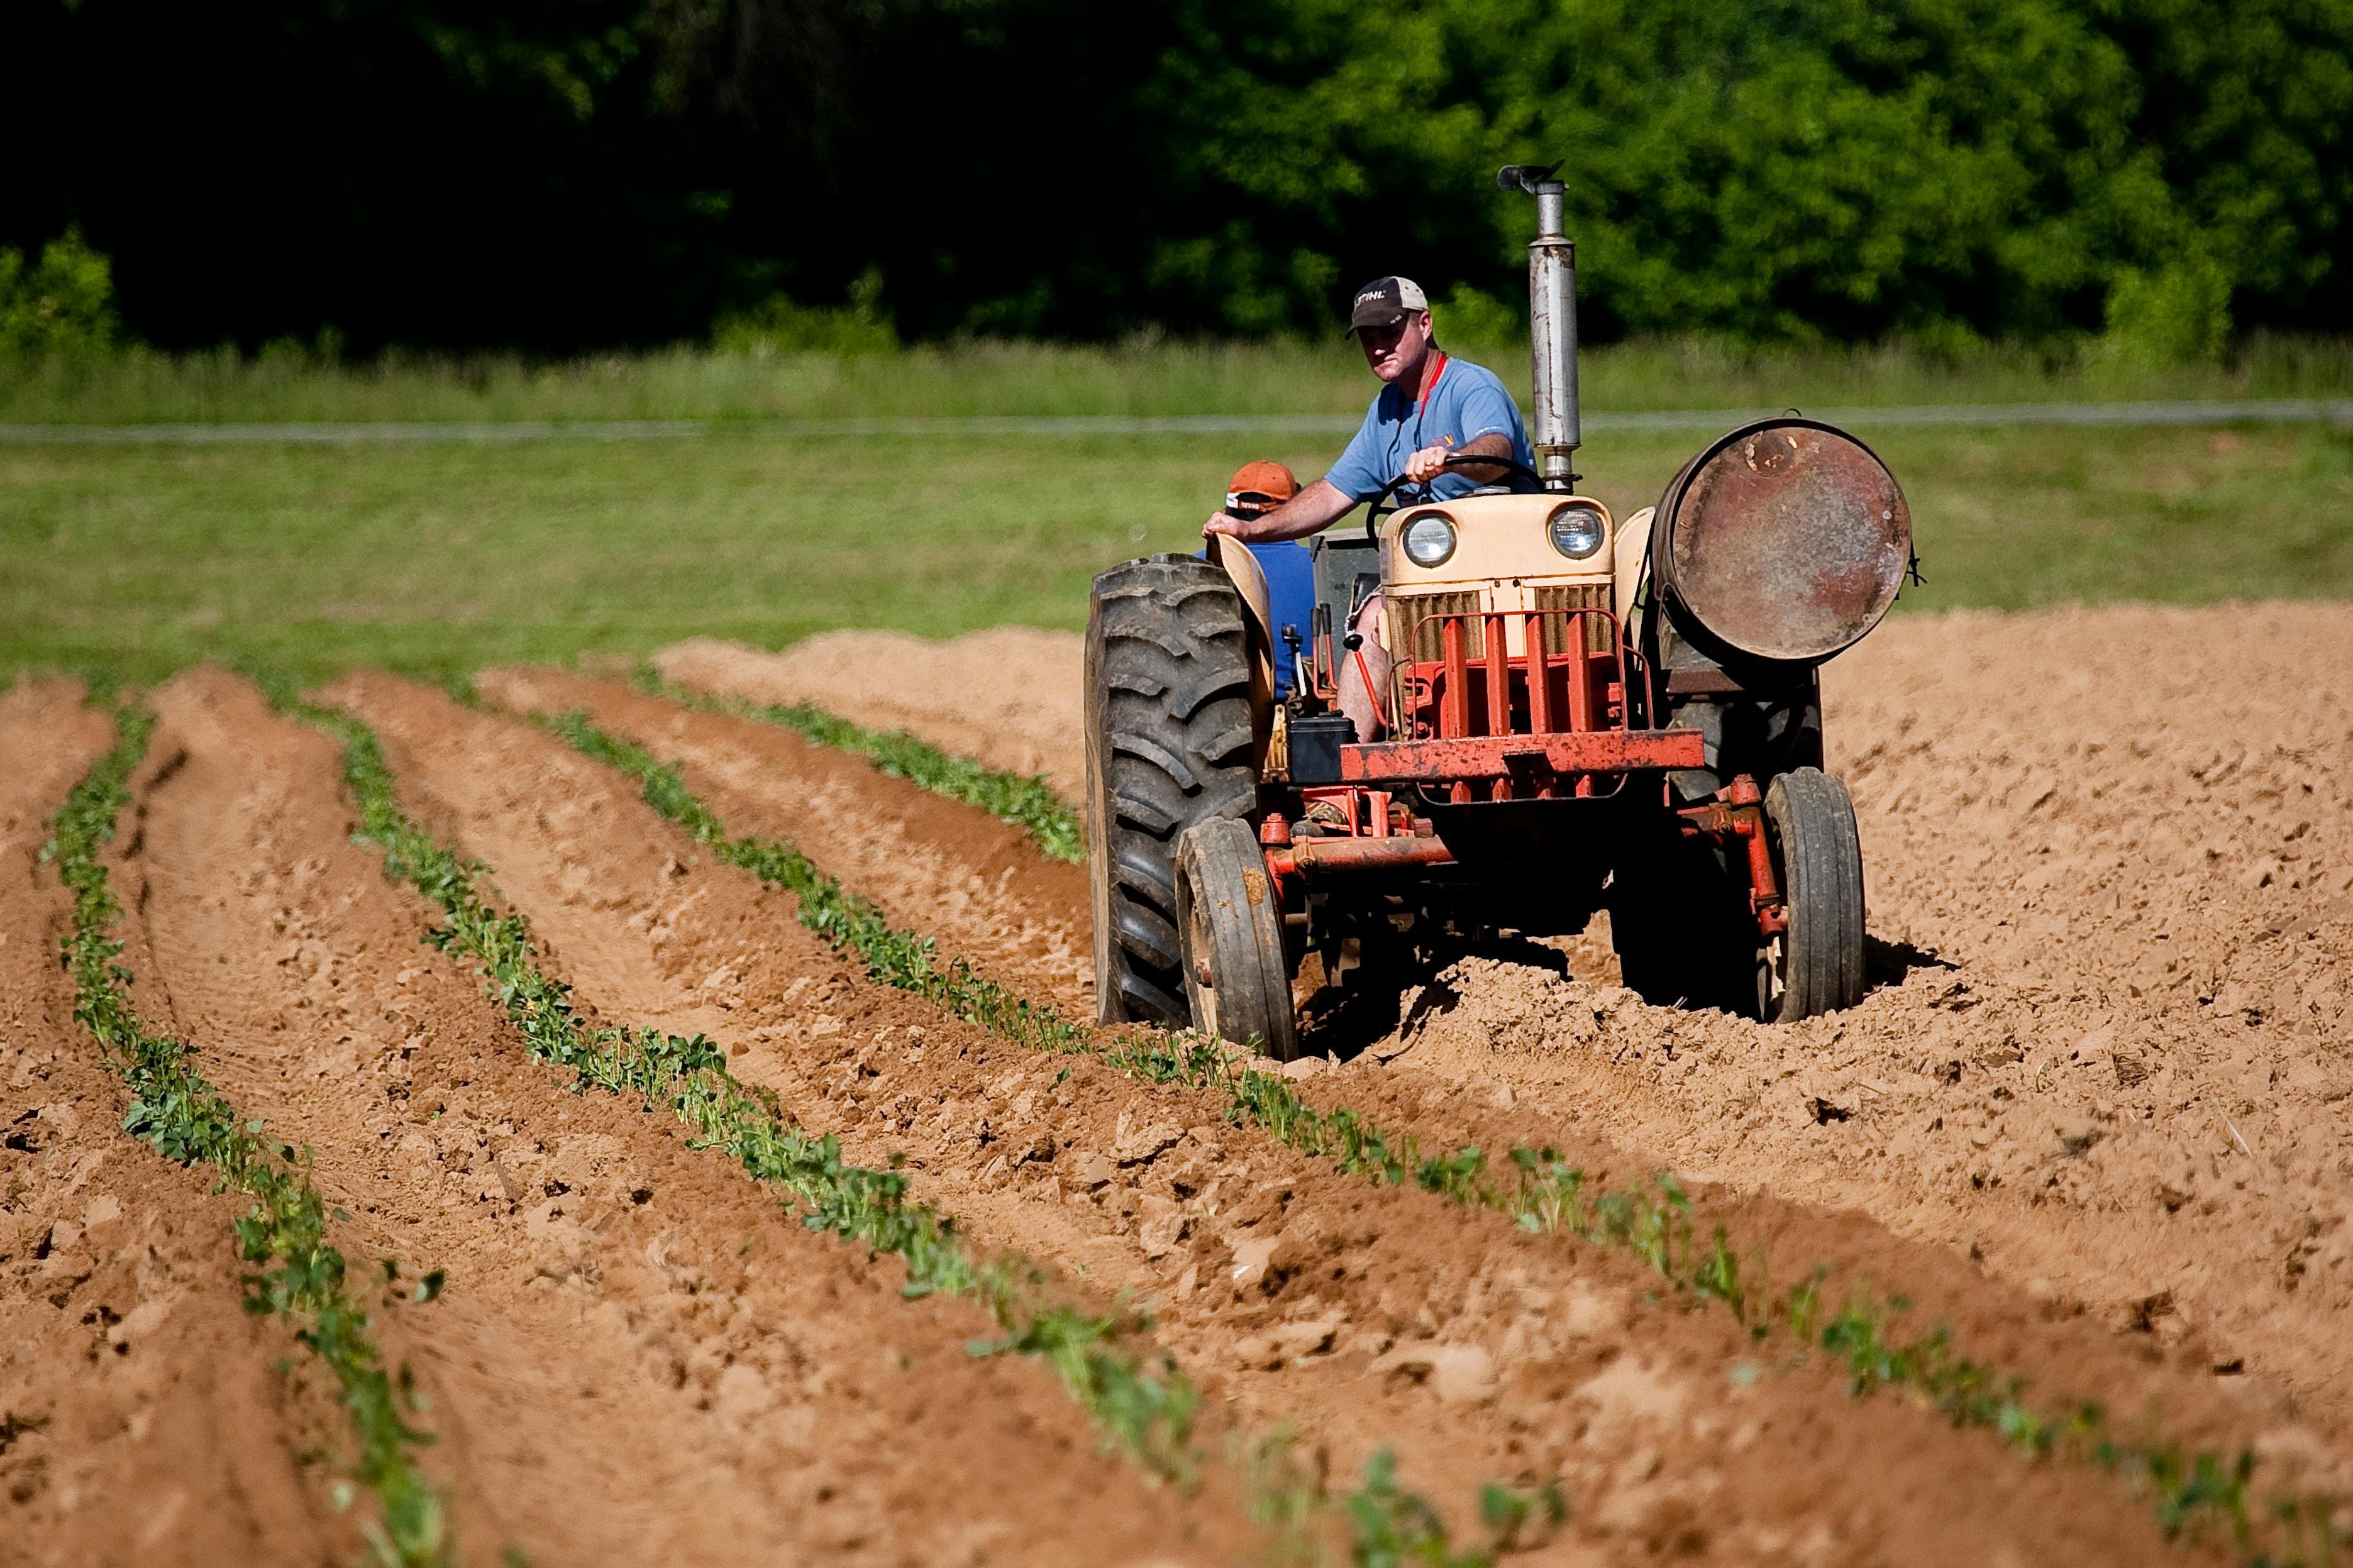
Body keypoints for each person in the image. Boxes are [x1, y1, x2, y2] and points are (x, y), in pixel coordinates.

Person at [1204, 276, 1535, 740]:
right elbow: (1333, 493)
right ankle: (1348, 778)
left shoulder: (1470, 386)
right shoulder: (1387, 410)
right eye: (1368, 339)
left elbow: (1498, 450)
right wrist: (1251, 531)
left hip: (1508, 567)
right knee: (1372, 620)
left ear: (1425, 324)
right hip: (1429, 577)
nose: (1379, 347)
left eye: (1390, 333)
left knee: (1381, 612)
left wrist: (1452, 458)